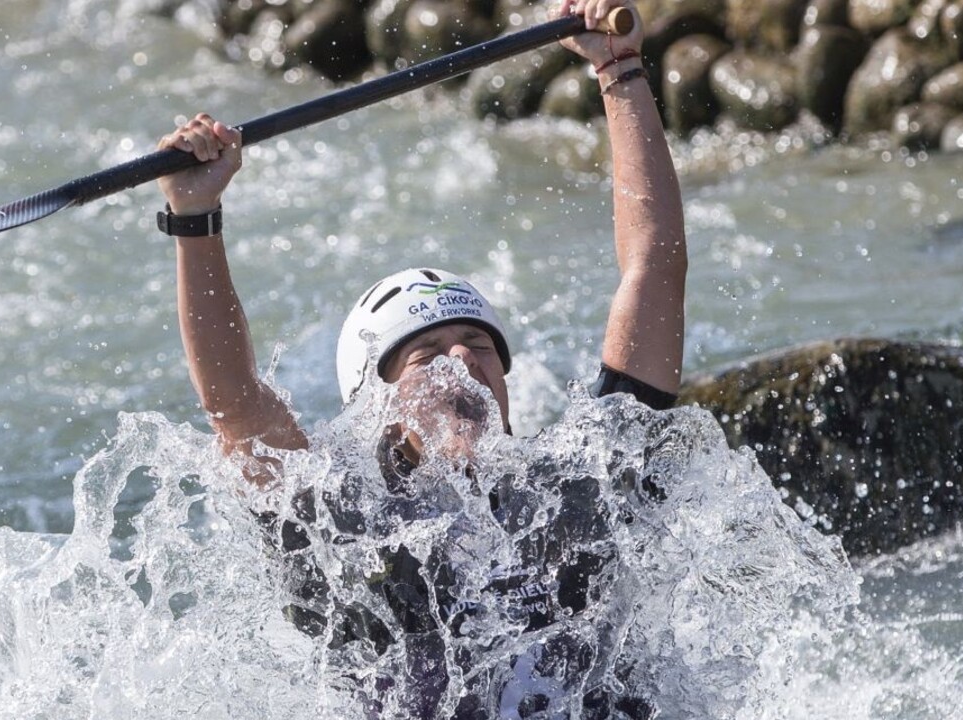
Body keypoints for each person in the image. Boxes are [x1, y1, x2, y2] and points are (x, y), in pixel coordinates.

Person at [154, 0, 685, 715]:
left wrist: (619, 73)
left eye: (478, 348)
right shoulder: (341, 531)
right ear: (374, 402)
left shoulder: (579, 487)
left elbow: (653, 268)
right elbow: (235, 405)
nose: (460, 362)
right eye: (428, 353)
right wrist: (194, 221)